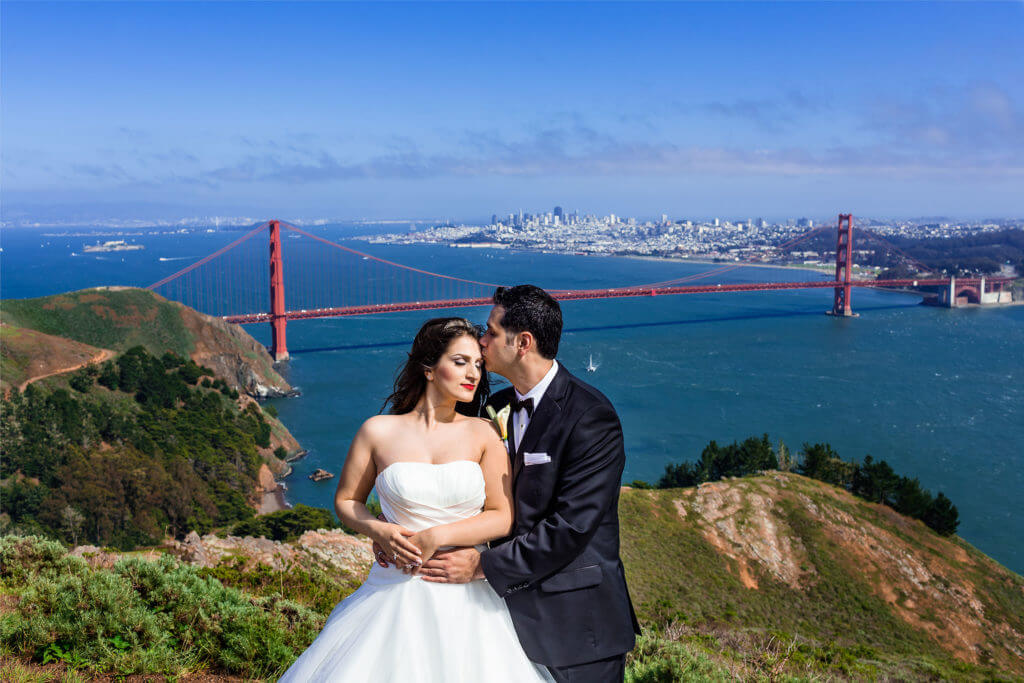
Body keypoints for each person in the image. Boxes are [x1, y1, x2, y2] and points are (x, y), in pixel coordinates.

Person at [278, 317, 553, 683]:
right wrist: (378, 530)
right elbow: (347, 501)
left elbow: (502, 516)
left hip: (465, 590)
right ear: (428, 369)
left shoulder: (484, 433)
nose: (473, 373)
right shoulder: (377, 431)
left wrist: (435, 537)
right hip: (394, 585)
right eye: (460, 362)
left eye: (477, 364)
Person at [391, 285, 641, 683]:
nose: (481, 341)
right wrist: (397, 529)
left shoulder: (591, 417)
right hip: (495, 622)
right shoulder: (493, 407)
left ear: (522, 342)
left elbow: (571, 528)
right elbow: (444, 477)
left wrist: (482, 566)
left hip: (576, 626)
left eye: (489, 332)